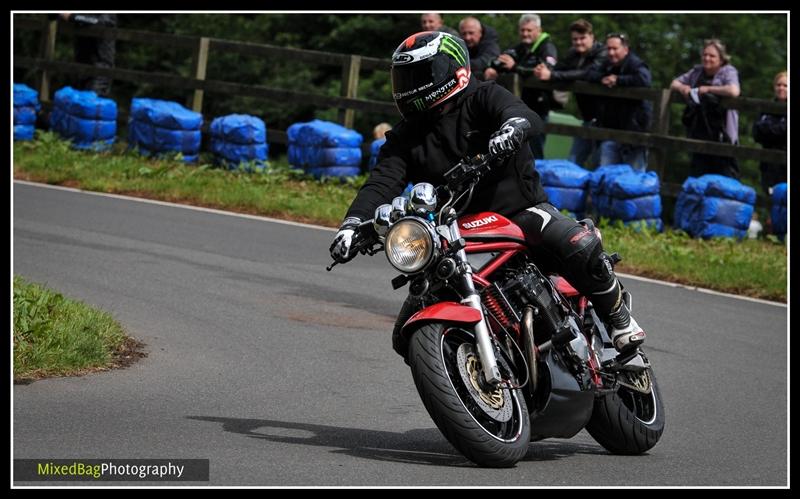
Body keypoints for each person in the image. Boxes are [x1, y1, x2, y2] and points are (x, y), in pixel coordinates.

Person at [329, 31, 646, 362]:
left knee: (576, 242)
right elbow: (382, 181)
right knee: (405, 333)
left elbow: (521, 114)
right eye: (404, 77)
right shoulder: (406, 136)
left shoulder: (483, 96)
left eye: (422, 75)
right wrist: (351, 226)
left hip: (518, 211)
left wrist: (512, 129)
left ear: (452, 70)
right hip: (452, 230)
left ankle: (618, 318)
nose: (410, 85)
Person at [534, 19, 607, 168]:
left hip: (606, 121)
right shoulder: (573, 53)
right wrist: (543, 70)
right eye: (575, 39)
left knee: (601, 165)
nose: (578, 42)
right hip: (586, 118)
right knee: (572, 164)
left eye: (582, 38)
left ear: (592, 37)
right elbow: (560, 69)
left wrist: (552, 76)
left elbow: (586, 74)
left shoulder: (603, 53)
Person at [483, 13, 558, 159]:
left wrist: (515, 67)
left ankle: (536, 179)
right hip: (521, 105)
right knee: (520, 149)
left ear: (539, 30)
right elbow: (501, 58)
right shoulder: (521, 47)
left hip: (539, 106)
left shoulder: (547, 48)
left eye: (529, 30)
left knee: (535, 148)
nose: (525, 34)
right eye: (522, 30)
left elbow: (545, 71)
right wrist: (494, 67)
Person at [670, 39, 741, 179]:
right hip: (699, 132)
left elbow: (734, 91)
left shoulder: (728, 71)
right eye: (704, 55)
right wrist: (682, 87)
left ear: (721, 59)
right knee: (698, 176)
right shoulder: (697, 72)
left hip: (723, 134)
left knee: (724, 177)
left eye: (712, 56)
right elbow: (674, 83)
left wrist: (709, 89)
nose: (707, 58)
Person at [585, 33, 652, 171]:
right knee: (605, 174)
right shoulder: (607, 64)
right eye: (608, 49)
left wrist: (619, 80)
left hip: (634, 134)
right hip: (611, 131)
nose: (611, 52)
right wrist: (603, 78)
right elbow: (590, 74)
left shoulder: (635, 63)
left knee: (633, 179)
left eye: (615, 48)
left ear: (625, 49)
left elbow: (644, 80)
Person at [59, 13, 118, 97]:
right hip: (79, 70)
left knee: (91, 106)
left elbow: (99, 22)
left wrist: (72, 16)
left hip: (99, 72)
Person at [752, 71, 787, 196]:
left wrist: (769, 129)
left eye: (785, 85)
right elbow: (756, 133)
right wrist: (777, 131)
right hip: (769, 164)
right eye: (778, 85)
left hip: (785, 163)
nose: (781, 88)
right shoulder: (767, 108)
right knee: (771, 197)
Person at [458, 16, 500, 81]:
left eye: (471, 33)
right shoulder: (459, 43)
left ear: (480, 32)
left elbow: (486, 60)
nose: (467, 37)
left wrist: (460, 66)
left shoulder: (490, 42)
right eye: (464, 34)